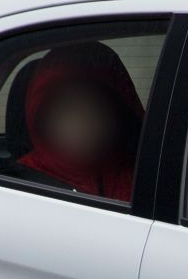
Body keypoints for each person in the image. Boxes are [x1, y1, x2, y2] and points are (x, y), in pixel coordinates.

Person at [12, 42, 144, 200]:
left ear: (117, 116)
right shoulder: (17, 182)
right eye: (68, 109)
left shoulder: (143, 176)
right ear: (42, 118)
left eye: (96, 107)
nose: (83, 123)